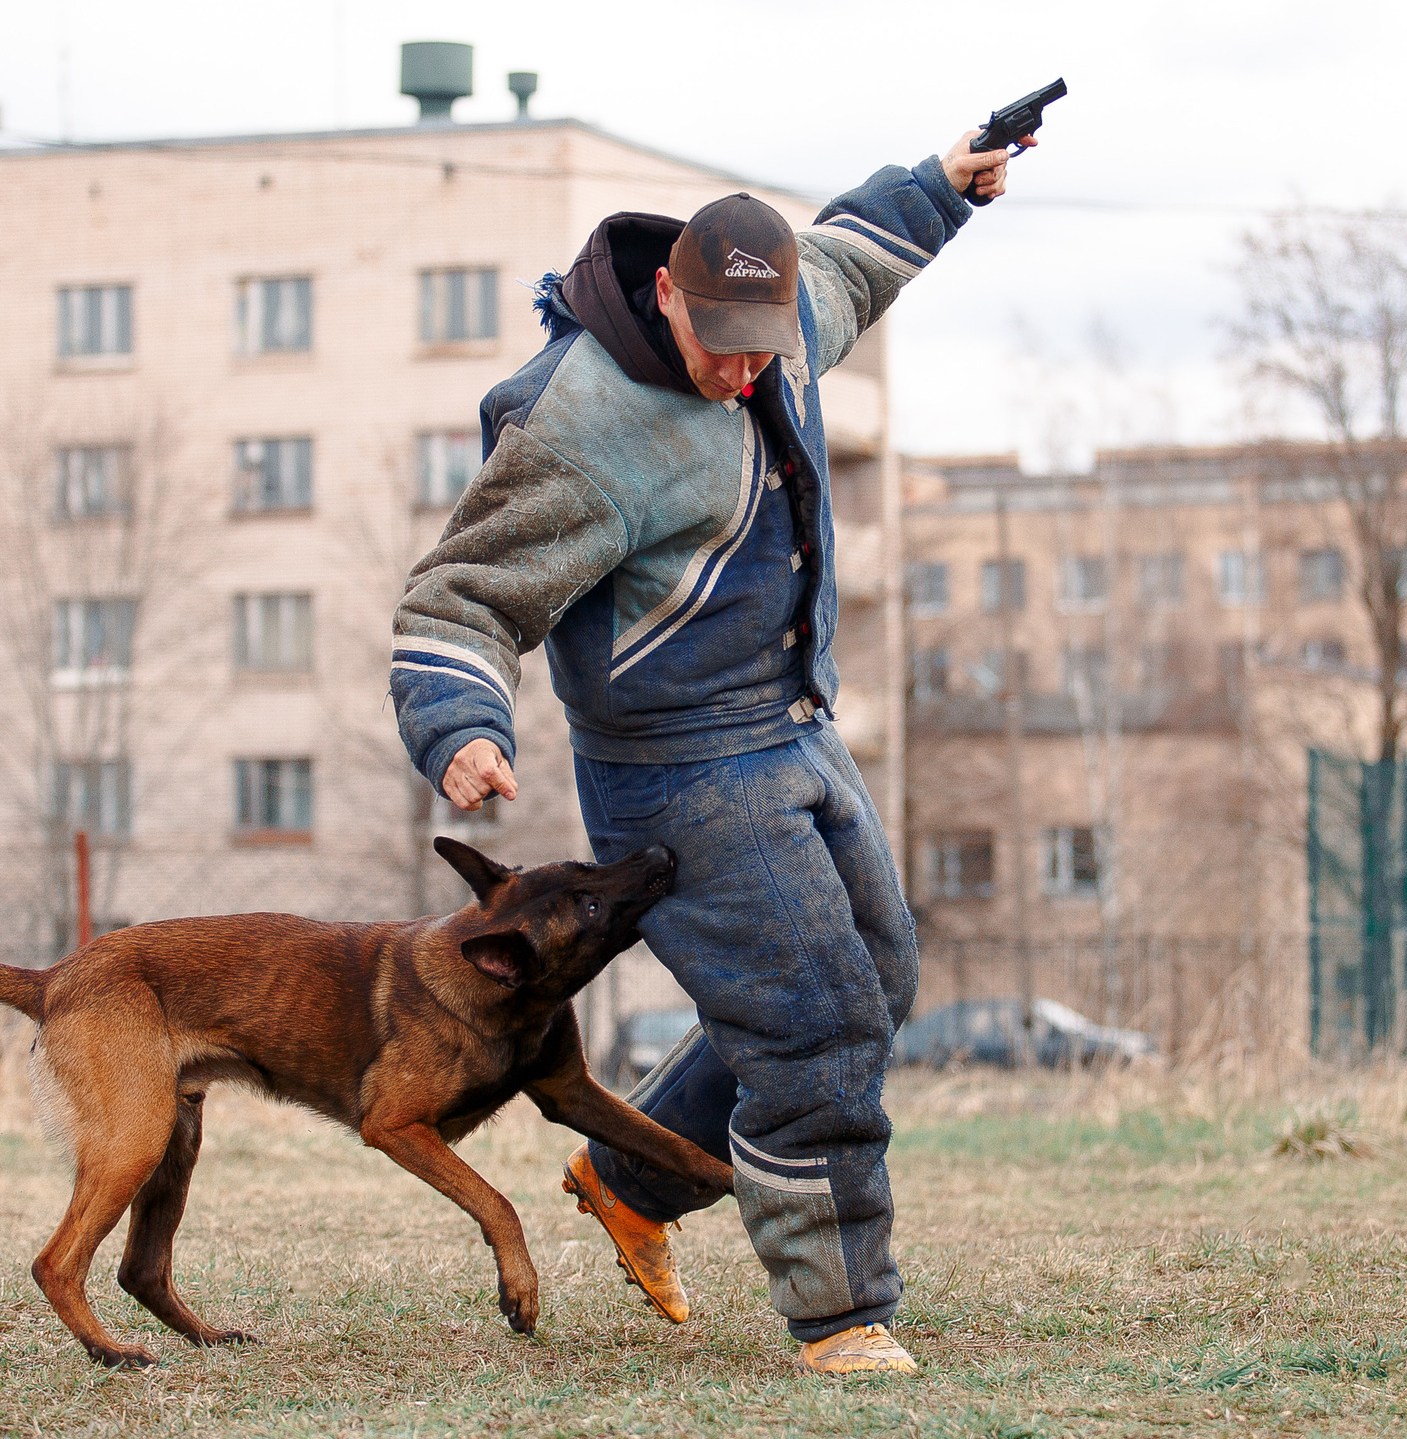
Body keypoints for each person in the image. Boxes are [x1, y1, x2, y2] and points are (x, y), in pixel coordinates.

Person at [389, 126, 1028, 1376]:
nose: (743, 375)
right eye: (719, 347)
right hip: (678, 770)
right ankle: (839, 1313)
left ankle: (630, 1179)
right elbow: (459, 597)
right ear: (668, 294)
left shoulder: (780, 327)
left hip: (795, 725)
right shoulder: (577, 420)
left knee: (878, 976)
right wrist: (461, 728)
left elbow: (848, 259)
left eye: (762, 349)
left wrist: (944, 184)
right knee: (813, 1020)